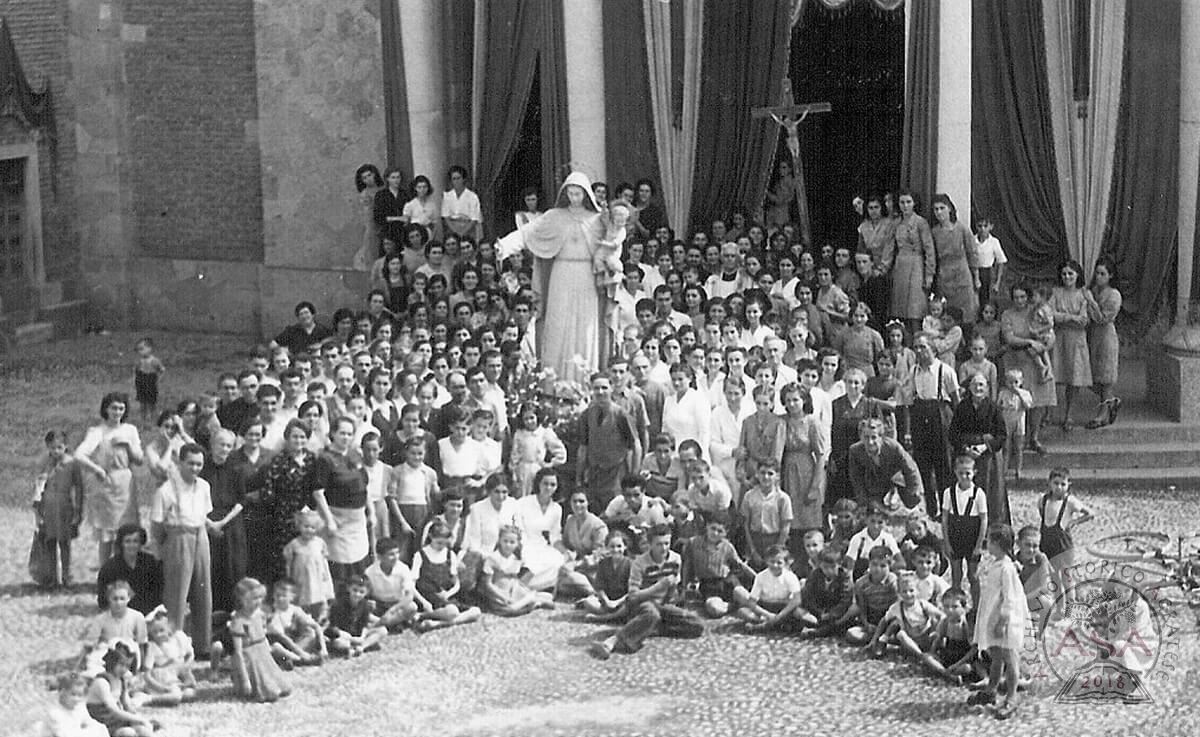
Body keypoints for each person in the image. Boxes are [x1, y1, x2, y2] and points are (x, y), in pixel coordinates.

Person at [496, 172, 608, 380]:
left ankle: (584, 378)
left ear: (586, 195)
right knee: (558, 323)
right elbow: (528, 232)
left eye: (578, 193)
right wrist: (506, 245)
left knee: (585, 328)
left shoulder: (597, 219)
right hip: (561, 275)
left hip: (586, 276)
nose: (574, 197)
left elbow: (614, 239)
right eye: (571, 193)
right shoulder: (554, 217)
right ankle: (554, 379)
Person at [588, 523, 703, 659]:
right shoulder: (640, 563)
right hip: (642, 603)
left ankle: (647, 628)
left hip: (662, 604)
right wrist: (658, 587)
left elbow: (673, 586)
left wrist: (672, 598)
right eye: (659, 544)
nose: (664, 548)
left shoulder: (675, 558)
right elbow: (633, 596)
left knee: (696, 625)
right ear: (650, 544)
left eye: (667, 543)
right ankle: (612, 641)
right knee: (652, 614)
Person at [150, 443, 213, 658]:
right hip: (178, 537)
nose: (195, 468)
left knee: (203, 590)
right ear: (180, 463)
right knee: (177, 593)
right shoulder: (166, 490)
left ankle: (202, 645)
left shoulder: (204, 486)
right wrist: (161, 547)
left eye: (199, 464)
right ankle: (173, 646)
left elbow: (205, 514)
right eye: (190, 464)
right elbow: (157, 525)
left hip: (200, 535)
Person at [967, 524, 1028, 720]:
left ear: (998, 544)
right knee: (996, 654)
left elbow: (1010, 598)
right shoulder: (996, 563)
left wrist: (1003, 621)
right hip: (993, 615)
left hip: (1006, 620)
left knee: (1010, 657)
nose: (987, 544)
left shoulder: (1007, 568)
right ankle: (991, 689)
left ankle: (1011, 697)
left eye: (990, 541)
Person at [76, 393, 144, 564]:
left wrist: (128, 444)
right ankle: (106, 573)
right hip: (106, 486)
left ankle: (126, 572)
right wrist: (97, 469)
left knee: (126, 532)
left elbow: (139, 459)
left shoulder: (130, 430)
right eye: (113, 407)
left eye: (121, 408)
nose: (117, 412)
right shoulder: (97, 432)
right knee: (106, 535)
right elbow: (79, 454)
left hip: (125, 484)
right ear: (106, 409)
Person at [250, 419, 318, 585]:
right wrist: (280, 509)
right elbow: (268, 491)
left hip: (306, 518)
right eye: (295, 436)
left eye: (303, 437)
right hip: (282, 518)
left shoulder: (312, 459)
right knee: (285, 560)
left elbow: (316, 487)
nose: (299, 441)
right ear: (287, 437)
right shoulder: (278, 461)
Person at [902, 332, 958, 517]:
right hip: (920, 416)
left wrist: (956, 427)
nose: (919, 351)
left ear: (933, 349)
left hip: (940, 416)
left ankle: (946, 507)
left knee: (943, 465)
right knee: (923, 465)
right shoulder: (914, 371)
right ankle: (931, 508)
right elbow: (909, 402)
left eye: (923, 347)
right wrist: (909, 430)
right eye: (916, 347)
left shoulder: (946, 370)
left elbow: (955, 400)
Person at [1000, 283, 1057, 454]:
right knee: (1018, 400)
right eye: (1016, 297)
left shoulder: (1035, 311)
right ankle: (1018, 439)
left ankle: (1034, 437)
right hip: (1017, 360)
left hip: (1036, 359)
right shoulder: (1007, 315)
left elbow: (1050, 331)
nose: (1020, 301)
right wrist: (1029, 342)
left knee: (1037, 400)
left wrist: (1045, 344)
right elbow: (1009, 338)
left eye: (1023, 297)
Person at [948, 373, 1008, 527]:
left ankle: (990, 528)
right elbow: (953, 434)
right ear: (969, 387)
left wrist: (983, 447)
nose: (978, 388)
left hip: (987, 457)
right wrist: (965, 448)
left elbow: (1001, 435)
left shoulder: (993, 408)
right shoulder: (962, 407)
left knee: (990, 492)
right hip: (966, 455)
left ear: (987, 388)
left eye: (981, 385)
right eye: (975, 384)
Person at [577, 372, 641, 511]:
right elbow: (583, 447)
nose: (600, 392)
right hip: (594, 475)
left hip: (616, 475)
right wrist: (579, 477)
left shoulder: (621, 414)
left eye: (604, 388)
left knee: (615, 511)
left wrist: (634, 476)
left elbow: (636, 445)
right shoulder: (586, 415)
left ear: (611, 388)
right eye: (596, 388)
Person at [201, 429, 246, 614]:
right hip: (206, 522)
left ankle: (231, 613)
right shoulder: (202, 467)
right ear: (212, 445)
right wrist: (209, 524)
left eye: (229, 445)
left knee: (232, 567)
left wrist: (223, 523)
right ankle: (209, 611)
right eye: (221, 444)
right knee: (210, 567)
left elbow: (241, 501)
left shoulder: (236, 469)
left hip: (231, 523)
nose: (225, 449)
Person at [31, 431, 83, 588]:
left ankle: (67, 576)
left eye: (59, 447)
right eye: (52, 448)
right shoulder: (44, 463)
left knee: (65, 542)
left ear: (65, 446)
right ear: (48, 447)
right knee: (49, 541)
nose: (56, 451)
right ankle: (52, 577)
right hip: (48, 506)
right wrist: (37, 510)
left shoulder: (72, 463)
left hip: (65, 506)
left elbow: (79, 488)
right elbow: (37, 487)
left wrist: (78, 510)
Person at [412, 520, 483, 631]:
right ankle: (422, 615)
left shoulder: (450, 555)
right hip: (427, 598)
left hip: (445, 598)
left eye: (445, 543)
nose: (442, 546)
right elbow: (412, 585)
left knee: (476, 612)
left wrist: (449, 593)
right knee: (452, 611)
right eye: (439, 543)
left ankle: (436, 624)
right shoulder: (420, 555)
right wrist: (424, 602)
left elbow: (456, 583)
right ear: (430, 537)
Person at [680, 513, 755, 618]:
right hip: (709, 586)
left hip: (728, 582)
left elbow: (740, 564)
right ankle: (734, 606)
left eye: (720, 531)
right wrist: (684, 587)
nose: (715, 533)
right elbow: (687, 566)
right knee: (715, 609)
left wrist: (758, 577)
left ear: (726, 533)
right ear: (707, 526)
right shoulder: (694, 543)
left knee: (745, 596)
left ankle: (766, 616)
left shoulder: (727, 546)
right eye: (713, 528)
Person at [229, 577, 292, 701]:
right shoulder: (239, 621)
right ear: (242, 600)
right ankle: (245, 684)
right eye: (253, 599)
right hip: (251, 660)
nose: (258, 602)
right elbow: (238, 653)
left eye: (259, 598)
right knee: (271, 694)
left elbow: (263, 634)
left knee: (286, 688)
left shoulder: (259, 615)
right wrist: (245, 679)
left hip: (263, 654)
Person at [882, 190, 935, 333]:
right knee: (899, 307)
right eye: (902, 202)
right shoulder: (896, 223)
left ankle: (917, 338)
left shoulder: (920, 223)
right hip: (900, 265)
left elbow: (929, 249)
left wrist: (929, 274)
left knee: (915, 308)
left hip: (916, 264)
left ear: (914, 203)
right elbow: (889, 248)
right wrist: (883, 267)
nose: (905, 206)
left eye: (908, 202)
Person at [1038, 467, 1094, 602]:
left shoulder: (1070, 501)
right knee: (1053, 577)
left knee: (1066, 577)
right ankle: (1059, 607)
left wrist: (1074, 522)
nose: (1059, 487)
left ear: (1069, 485)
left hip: (1063, 545)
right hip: (1047, 543)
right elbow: (1043, 515)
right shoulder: (1043, 499)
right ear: (1049, 483)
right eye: (1055, 483)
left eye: (1063, 484)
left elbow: (1090, 514)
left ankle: (1071, 605)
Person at [780, 383, 827, 543]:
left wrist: (815, 487)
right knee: (789, 517)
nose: (791, 404)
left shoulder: (812, 422)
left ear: (804, 400)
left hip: (806, 472)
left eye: (795, 400)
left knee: (808, 519)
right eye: (788, 400)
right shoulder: (781, 421)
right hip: (786, 471)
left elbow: (821, 455)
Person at [940, 455, 988, 605]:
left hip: (972, 536)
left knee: (973, 575)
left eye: (968, 473)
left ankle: (976, 606)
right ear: (955, 472)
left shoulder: (979, 494)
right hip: (955, 534)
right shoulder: (949, 492)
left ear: (974, 472)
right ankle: (957, 605)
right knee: (956, 574)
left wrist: (979, 545)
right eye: (961, 473)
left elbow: (983, 519)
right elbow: (945, 519)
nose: (964, 477)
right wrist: (947, 543)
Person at [847, 418, 924, 511]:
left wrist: (913, 494)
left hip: (897, 483)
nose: (870, 442)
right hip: (874, 486)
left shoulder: (894, 447)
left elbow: (911, 470)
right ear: (861, 437)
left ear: (881, 437)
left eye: (874, 437)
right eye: (866, 437)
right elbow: (856, 479)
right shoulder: (855, 451)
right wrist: (865, 502)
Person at [1051, 260, 1092, 431]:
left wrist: (1064, 317)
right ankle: (1047, 413)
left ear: (1077, 275)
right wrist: (1071, 318)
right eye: (1064, 274)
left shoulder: (1083, 295)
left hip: (1076, 341)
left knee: (1073, 379)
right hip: (1059, 338)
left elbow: (1083, 321)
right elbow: (1050, 314)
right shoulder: (1056, 293)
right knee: (1053, 375)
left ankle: (1069, 414)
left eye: (1070, 274)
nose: (1067, 277)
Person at [480, 525, 555, 616]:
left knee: (543, 596)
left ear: (517, 544)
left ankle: (532, 599)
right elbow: (487, 584)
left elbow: (514, 580)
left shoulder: (514, 559)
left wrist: (521, 590)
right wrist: (503, 596)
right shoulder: (493, 559)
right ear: (499, 541)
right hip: (498, 594)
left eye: (512, 542)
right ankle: (534, 602)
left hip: (513, 591)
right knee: (508, 609)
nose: (508, 545)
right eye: (505, 541)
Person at [513, 468, 568, 592]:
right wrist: (523, 545)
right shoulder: (523, 503)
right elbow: (518, 528)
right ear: (538, 484)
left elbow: (554, 537)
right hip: (524, 543)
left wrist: (565, 552)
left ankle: (530, 588)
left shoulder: (556, 508)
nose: (548, 488)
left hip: (542, 545)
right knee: (533, 563)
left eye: (552, 484)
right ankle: (520, 587)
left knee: (558, 560)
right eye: (545, 483)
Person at [85, 642, 156, 736]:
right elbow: (114, 710)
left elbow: (127, 705)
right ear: (112, 662)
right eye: (121, 665)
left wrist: (138, 718)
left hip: (117, 720)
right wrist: (140, 719)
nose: (124, 669)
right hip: (103, 722)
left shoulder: (121, 680)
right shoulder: (101, 682)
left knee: (143, 730)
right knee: (128, 733)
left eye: (127, 666)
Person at [929, 194, 979, 325]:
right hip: (944, 276)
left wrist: (976, 278)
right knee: (947, 313)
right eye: (936, 209)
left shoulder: (962, 228)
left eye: (942, 208)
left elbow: (972, 253)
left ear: (949, 209)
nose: (939, 212)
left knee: (966, 314)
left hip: (962, 274)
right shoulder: (934, 232)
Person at [1084, 257, 1123, 428]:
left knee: (1105, 378)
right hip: (1094, 337)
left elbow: (1103, 318)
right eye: (1097, 273)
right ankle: (1112, 402)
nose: (1099, 277)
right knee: (1092, 378)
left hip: (1107, 337)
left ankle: (1101, 414)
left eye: (1103, 274)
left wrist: (1091, 301)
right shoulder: (1093, 290)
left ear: (1110, 276)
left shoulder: (1114, 295)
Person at [83, 580, 149, 675]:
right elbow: (89, 645)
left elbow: (142, 644)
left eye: (122, 599)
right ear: (109, 599)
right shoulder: (101, 619)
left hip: (128, 656)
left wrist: (142, 668)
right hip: (109, 655)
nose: (118, 603)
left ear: (129, 598)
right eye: (115, 599)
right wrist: (79, 665)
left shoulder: (137, 617)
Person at [508, 402, 567, 498]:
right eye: (526, 419)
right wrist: (514, 473)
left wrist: (549, 464)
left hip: (537, 470)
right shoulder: (519, 434)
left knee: (537, 496)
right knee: (521, 498)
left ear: (537, 417)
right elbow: (515, 454)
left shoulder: (544, 433)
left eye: (531, 418)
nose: (529, 421)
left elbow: (560, 452)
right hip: (522, 470)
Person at [263, 578, 327, 666]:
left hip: (296, 645)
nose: (280, 599)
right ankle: (302, 659)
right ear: (273, 595)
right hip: (282, 645)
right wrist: (301, 653)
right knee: (276, 648)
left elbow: (316, 626)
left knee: (311, 634)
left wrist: (324, 649)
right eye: (277, 595)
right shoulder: (271, 612)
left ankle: (291, 659)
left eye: (284, 596)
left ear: (292, 597)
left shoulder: (295, 610)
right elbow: (280, 636)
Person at [845, 545, 898, 649]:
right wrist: (866, 624)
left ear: (890, 566)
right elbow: (862, 608)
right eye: (874, 564)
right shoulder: (861, 583)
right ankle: (882, 639)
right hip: (873, 617)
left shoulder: (893, 581)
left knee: (899, 628)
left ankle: (885, 637)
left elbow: (896, 607)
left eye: (883, 566)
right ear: (869, 564)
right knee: (851, 634)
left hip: (889, 618)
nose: (877, 569)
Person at [141, 611, 198, 705]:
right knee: (175, 697)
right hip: (162, 681)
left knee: (189, 694)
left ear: (169, 628)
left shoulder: (176, 641)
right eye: (155, 632)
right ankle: (148, 698)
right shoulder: (153, 647)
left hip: (176, 678)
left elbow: (189, 657)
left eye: (161, 630)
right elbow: (147, 675)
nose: (159, 634)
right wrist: (162, 688)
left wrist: (186, 670)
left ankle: (173, 694)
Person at [795, 547, 854, 638]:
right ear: (820, 565)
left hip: (835, 612)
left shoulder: (844, 578)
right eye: (825, 567)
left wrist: (830, 614)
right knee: (799, 612)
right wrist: (818, 612)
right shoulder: (815, 574)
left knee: (843, 620)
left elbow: (845, 601)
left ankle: (817, 631)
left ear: (839, 565)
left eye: (832, 567)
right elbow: (808, 595)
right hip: (819, 611)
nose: (829, 570)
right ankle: (815, 627)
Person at [325, 574, 387, 656]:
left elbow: (364, 625)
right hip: (342, 635)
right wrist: (349, 638)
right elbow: (333, 628)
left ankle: (361, 647)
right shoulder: (338, 604)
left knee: (382, 630)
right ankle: (350, 648)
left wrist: (362, 637)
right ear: (348, 588)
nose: (357, 594)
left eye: (361, 592)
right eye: (355, 590)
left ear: (366, 593)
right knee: (341, 643)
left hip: (357, 634)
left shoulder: (365, 605)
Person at [36, 672, 107, 737]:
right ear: (63, 692)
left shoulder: (79, 708)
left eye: (79, 695)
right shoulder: (55, 713)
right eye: (73, 694)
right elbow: (65, 735)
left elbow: (92, 724)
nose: (76, 699)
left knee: (101, 728)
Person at [441, 165, 482, 242]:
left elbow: (474, 219)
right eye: (454, 179)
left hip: (468, 227)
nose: (456, 181)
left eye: (458, 178)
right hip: (452, 228)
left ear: (463, 179)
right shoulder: (447, 196)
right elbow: (445, 217)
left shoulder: (472, 196)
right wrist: (455, 232)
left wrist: (462, 232)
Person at [973, 217, 1006, 303]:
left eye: (985, 226)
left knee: (988, 300)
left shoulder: (994, 242)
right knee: (976, 300)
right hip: (975, 272)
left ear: (991, 227)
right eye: (980, 226)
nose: (982, 229)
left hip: (988, 273)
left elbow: (1001, 261)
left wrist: (997, 283)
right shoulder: (972, 240)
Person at [132, 338, 165, 424]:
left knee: (151, 402)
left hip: (151, 380)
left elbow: (161, 370)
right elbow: (135, 371)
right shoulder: (139, 361)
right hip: (141, 380)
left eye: (142, 349)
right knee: (142, 402)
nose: (140, 352)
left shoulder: (154, 361)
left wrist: (159, 379)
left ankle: (153, 419)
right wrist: (134, 381)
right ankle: (143, 420)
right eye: (139, 350)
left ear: (150, 348)